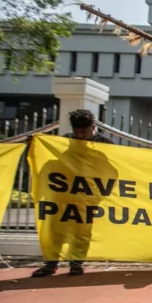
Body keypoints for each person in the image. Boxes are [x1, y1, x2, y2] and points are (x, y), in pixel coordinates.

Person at [32, 109, 112, 278]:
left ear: (92, 127)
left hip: (89, 195)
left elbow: (111, 169)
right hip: (64, 194)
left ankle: (76, 263)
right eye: (76, 131)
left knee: (82, 230)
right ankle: (51, 264)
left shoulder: (105, 143)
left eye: (83, 131)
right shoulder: (66, 140)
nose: (79, 135)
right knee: (56, 229)